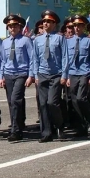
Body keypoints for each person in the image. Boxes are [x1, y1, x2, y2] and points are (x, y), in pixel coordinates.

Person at [33, 10, 69, 142]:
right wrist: (35, 74)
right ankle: (46, 133)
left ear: (54, 24)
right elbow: (35, 58)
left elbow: (65, 57)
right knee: (42, 104)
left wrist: (64, 75)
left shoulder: (60, 38)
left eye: (48, 21)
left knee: (52, 102)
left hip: (56, 74)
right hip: (42, 74)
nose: (45, 23)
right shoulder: (37, 40)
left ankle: (59, 126)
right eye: (44, 21)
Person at [0, 15, 33, 141]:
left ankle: (15, 130)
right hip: (8, 74)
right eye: (10, 26)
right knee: (11, 102)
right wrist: (1, 76)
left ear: (20, 27)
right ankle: (18, 124)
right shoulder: (5, 42)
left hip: (21, 74)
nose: (12, 28)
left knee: (15, 100)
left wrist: (31, 75)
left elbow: (32, 59)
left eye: (15, 25)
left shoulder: (25, 41)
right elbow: (2, 60)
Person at [66, 15, 90, 136]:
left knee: (81, 98)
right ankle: (81, 126)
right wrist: (67, 76)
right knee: (74, 101)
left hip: (85, 72)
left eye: (79, 25)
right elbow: (66, 60)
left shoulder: (89, 40)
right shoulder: (68, 41)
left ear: (84, 27)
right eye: (75, 25)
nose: (77, 28)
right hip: (73, 73)